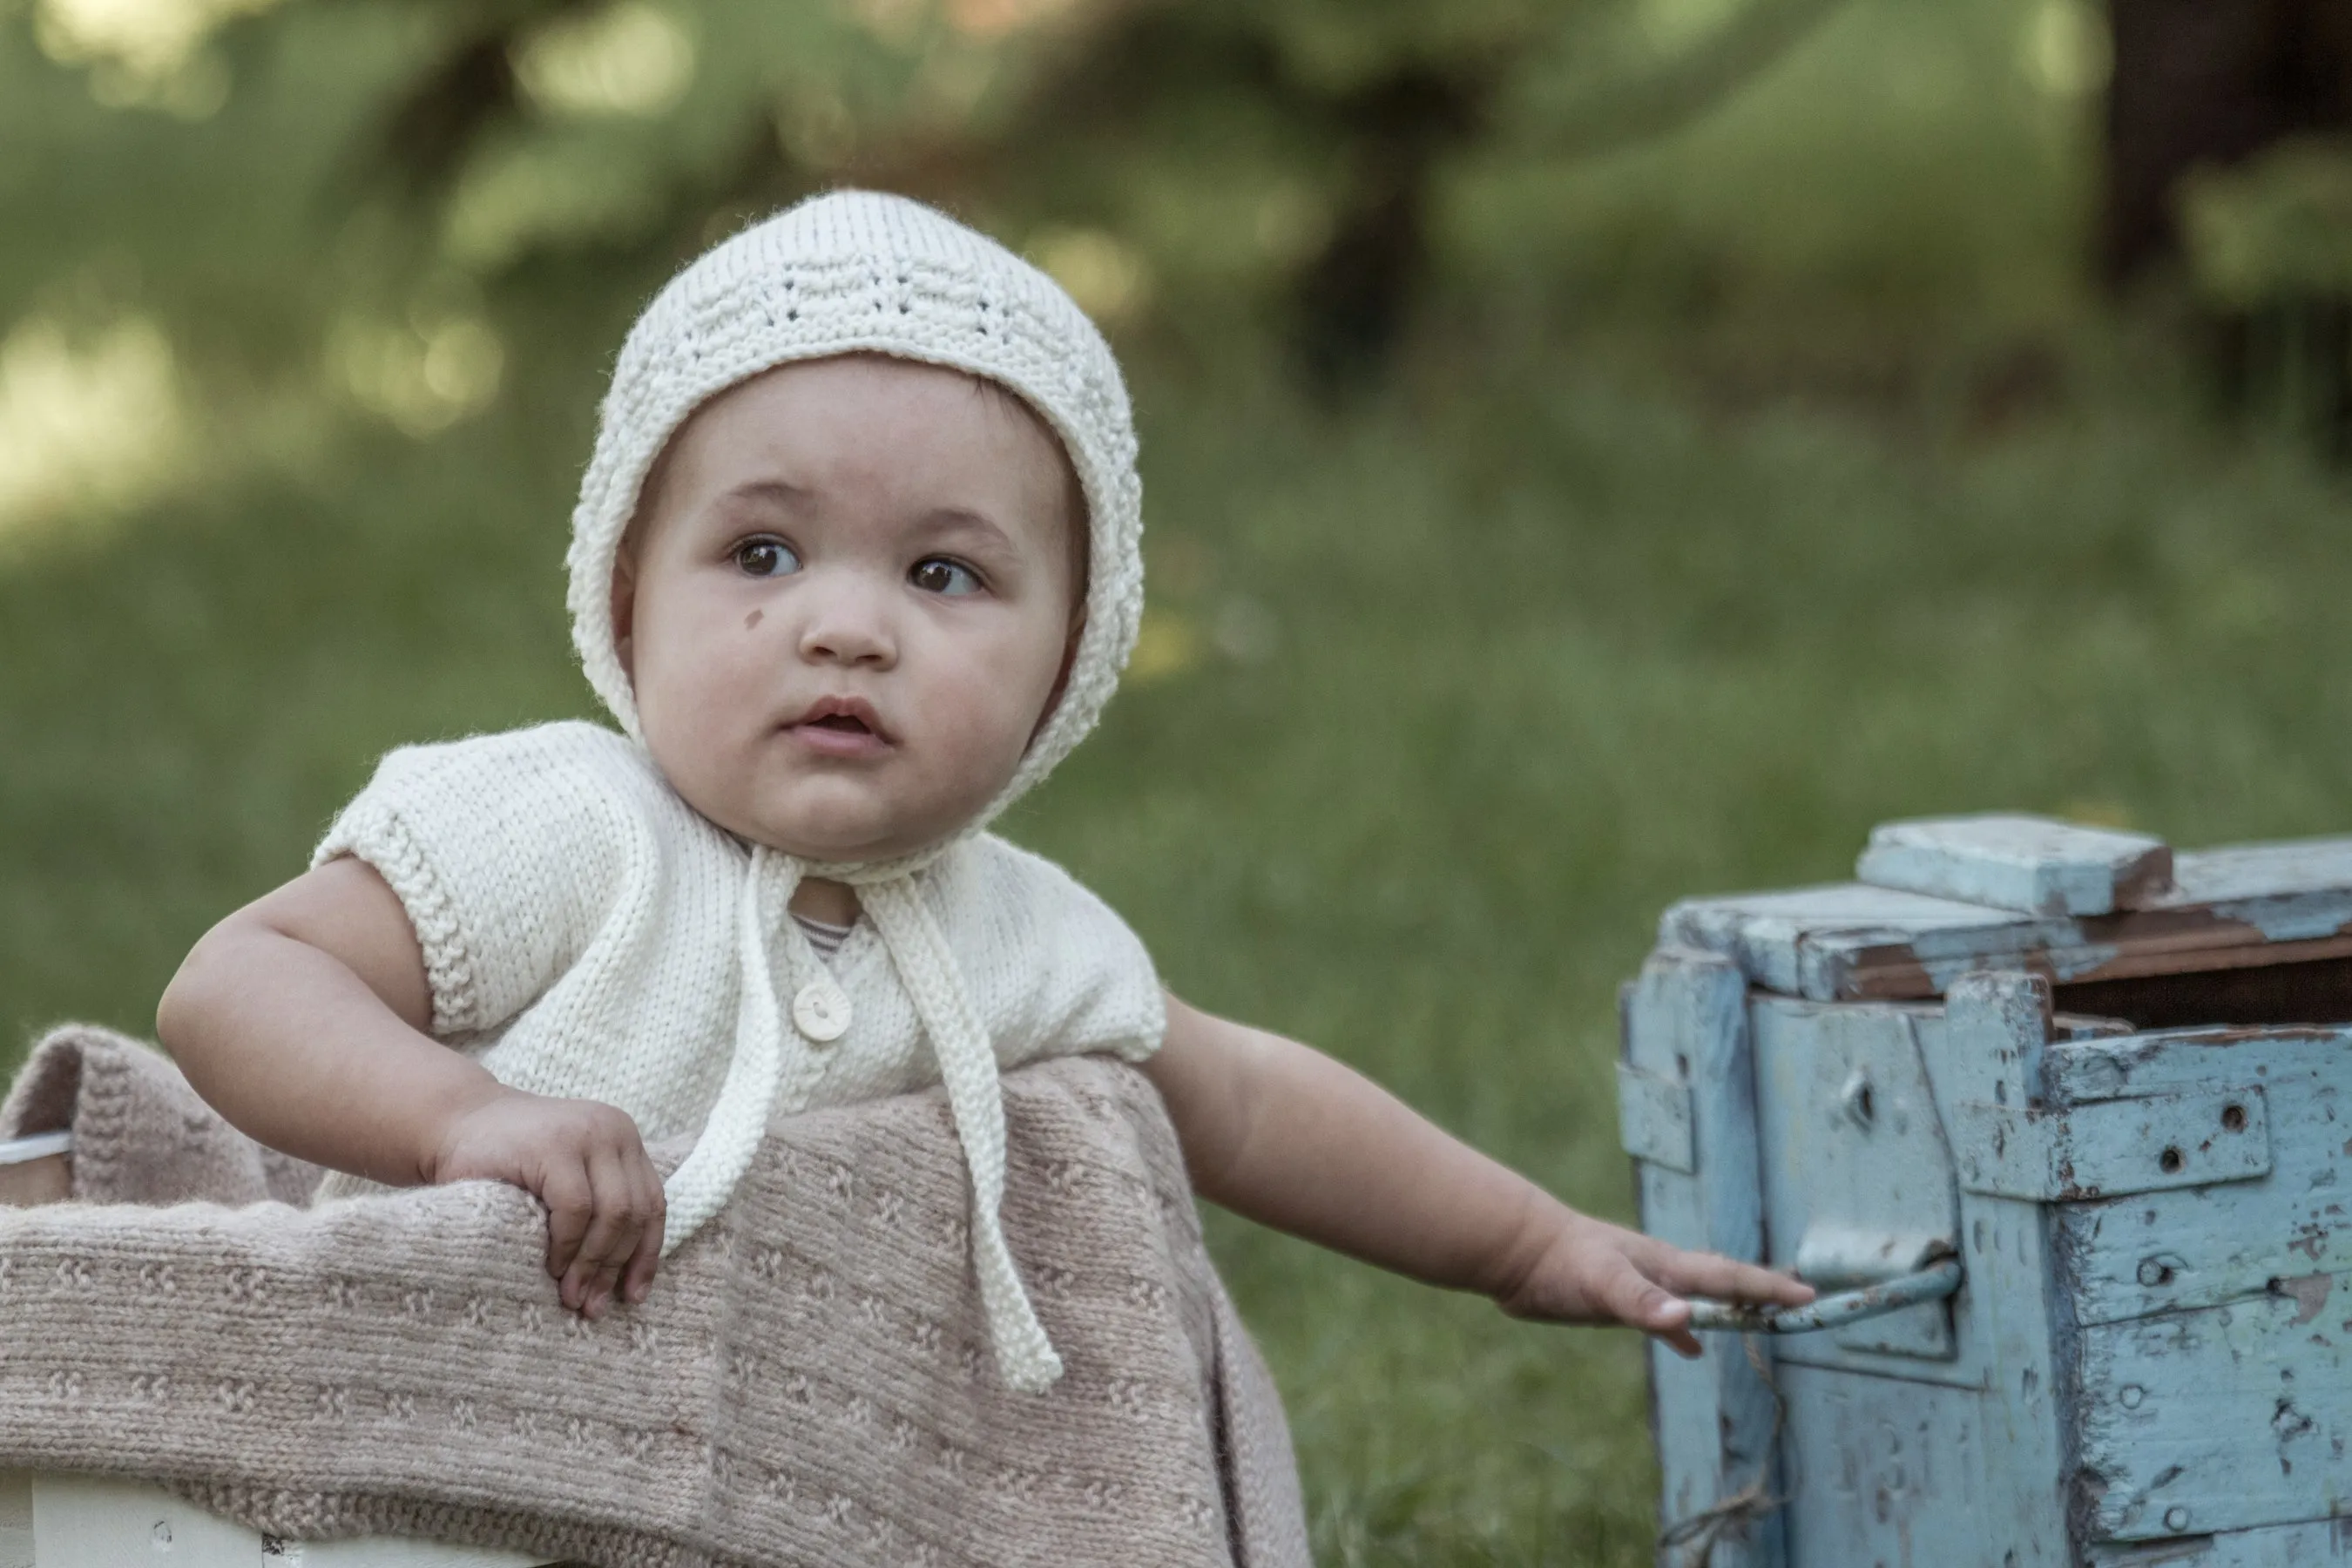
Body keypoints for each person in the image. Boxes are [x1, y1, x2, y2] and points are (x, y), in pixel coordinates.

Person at [153, 190, 1808, 1398]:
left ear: (1067, 665)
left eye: (945, 574)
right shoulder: (562, 821)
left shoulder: (1013, 931)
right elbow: (238, 983)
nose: (848, 623)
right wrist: (465, 1120)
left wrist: (1526, 1247)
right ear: (628, 591)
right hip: (390, 1410)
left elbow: (1240, 1104)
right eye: (763, 552)